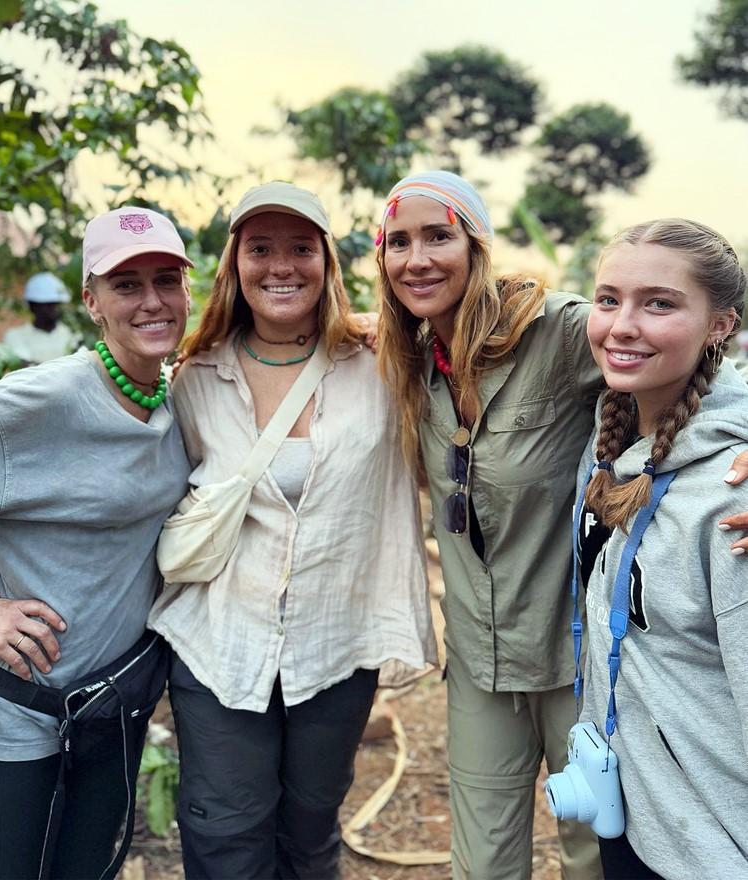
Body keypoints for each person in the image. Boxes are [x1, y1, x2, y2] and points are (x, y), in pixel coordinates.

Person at [148, 181, 436, 880]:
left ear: (327, 263)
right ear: (235, 264)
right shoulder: (192, 376)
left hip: (336, 647)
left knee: (309, 833)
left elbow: (522, 367)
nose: (282, 266)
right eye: (261, 248)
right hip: (220, 643)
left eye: (301, 248)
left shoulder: (387, 365)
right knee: (226, 837)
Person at [375, 170, 603, 880]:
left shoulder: (559, 331)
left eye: (438, 235)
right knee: (482, 864)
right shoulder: (408, 359)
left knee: (594, 851)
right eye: (398, 241)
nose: (417, 259)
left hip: (580, 659)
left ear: (476, 245)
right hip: (480, 657)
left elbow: (691, 360)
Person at [0, 207, 192, 879]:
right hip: (22, 712)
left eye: (167, 280)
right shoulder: (38, 401)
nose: (152, 301)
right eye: (126, 285)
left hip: (114, 707)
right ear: (91, 301)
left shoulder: (179, 397)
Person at [576, 219, 748, 880]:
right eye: (609, 298)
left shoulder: (730, 496)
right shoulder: (610, 439)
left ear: (720, 325)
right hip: (636, 806)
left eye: (660, 303)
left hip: (715, 842)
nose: (622, 325)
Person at [1, 272, 80, 364]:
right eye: (48, 305)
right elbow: (27, 367)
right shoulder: (15, 336)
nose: (54, 309)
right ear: (32, 306)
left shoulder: (70, 335)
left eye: (56, 304)